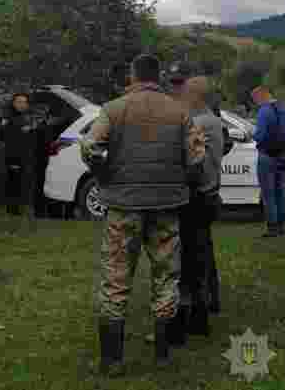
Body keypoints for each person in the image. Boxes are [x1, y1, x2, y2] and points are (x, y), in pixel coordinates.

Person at [80, 54, 205, 376]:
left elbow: (90, 147)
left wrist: (104, 175)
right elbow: (195, 159)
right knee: (166, 277)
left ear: (133, 76)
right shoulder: (179, 111)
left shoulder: (113, 109)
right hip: (166, 206)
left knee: (116, 279)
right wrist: (182, 184)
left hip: (122, 207)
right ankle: (163, 355)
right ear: (158, 77)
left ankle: (112, 361)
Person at [176, 76, 224, 341]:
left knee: (192, 259)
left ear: (195, 97)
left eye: (184, 94)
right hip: (209, 193)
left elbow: (190, 161)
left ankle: (196, 316)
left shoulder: (200, 123)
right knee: (204, 252)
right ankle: (210, 303)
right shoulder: (214, 121)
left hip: (197, 196)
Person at [252, 86, 285, 237]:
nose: (255, 103)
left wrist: (254, 135)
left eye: (255, 100)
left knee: (268, 193)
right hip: (282, 155)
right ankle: (282, 226)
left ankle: (272, 228)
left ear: (260, 96)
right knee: (280, 191)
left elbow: (260, 135)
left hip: (266, 156)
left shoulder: (264, 111)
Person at [0, 92, 38, 218]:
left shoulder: (28, 117)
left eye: (24, 102)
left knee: (22, 181)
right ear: (14, 103)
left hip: (26, 154)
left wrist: (31, 130)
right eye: (19, 102)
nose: (22, 104)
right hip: (13, 154)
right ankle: (12, 208)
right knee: (13, 180)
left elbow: (32, 135)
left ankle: (19, 206)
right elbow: (3, 135)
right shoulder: (8, 117)